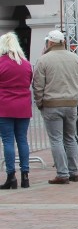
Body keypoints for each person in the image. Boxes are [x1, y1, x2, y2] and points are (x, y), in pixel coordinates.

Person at [32, 30, 78, 185]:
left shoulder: (43, 60)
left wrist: (39, 102)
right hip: (71, 103)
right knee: (70, 137)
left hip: (51, 104)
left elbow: (38, 85)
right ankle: (74, 171)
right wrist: (76, 95)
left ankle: (62, 173)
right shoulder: (75, 58)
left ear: (50, 42)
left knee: (56, 139)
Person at [0, 32, 33, 189]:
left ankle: (11, 176)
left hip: (4, 105)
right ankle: (25, 176)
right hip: (23, 106)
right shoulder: (26, 64)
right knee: (22, 139)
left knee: (7, 141)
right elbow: (29, 81)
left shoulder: (1, 63)